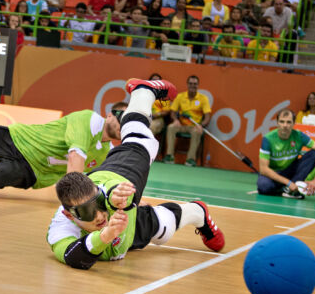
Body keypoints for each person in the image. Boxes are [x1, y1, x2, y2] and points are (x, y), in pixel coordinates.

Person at [48, 78, 224, 271]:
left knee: (139, 141)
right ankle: (199, 212)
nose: (99, 215)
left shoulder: (108, 190)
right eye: (88, 212)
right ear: (69, 214)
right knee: (164, 229)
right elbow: (74, 258)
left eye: (98, 202)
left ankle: (144, 92)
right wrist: (107, 234)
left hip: (118, 193)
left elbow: (125, 192)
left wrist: (115, 199)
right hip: (123, 230)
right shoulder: (60, 227)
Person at [0, 105, 124, 190]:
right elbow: (76, 160)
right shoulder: (88, 119)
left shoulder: (103, 156)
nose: (122, 125)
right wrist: (72, 200)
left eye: (127, 123)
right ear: (109, 115)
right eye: (120, 118)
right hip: (16, 138)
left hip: (31, 170)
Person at [257, 109, 315, 198]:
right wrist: (288, 183)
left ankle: (291, 188)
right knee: (264, 186)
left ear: (293, 123)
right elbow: (263, 169)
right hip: (274, 174)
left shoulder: (299, 136)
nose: (285, 125)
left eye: (288, 122)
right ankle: (287, 188)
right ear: (277, 122)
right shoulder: (268, 139)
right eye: (282, 122)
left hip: (290, 170)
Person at [163, 74, 211, 166]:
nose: (193, 85)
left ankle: (190, 159)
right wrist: (175, 120)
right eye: (190, 83)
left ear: (198, 85)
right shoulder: (180, 96)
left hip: (194, 126)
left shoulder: (203, 99)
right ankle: (169, 156)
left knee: (197, 131)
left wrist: (201, 125)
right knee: (171, 127)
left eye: (195, 84)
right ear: (187, 84)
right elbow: (173, 112)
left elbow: (207, 116)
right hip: (181, 125)